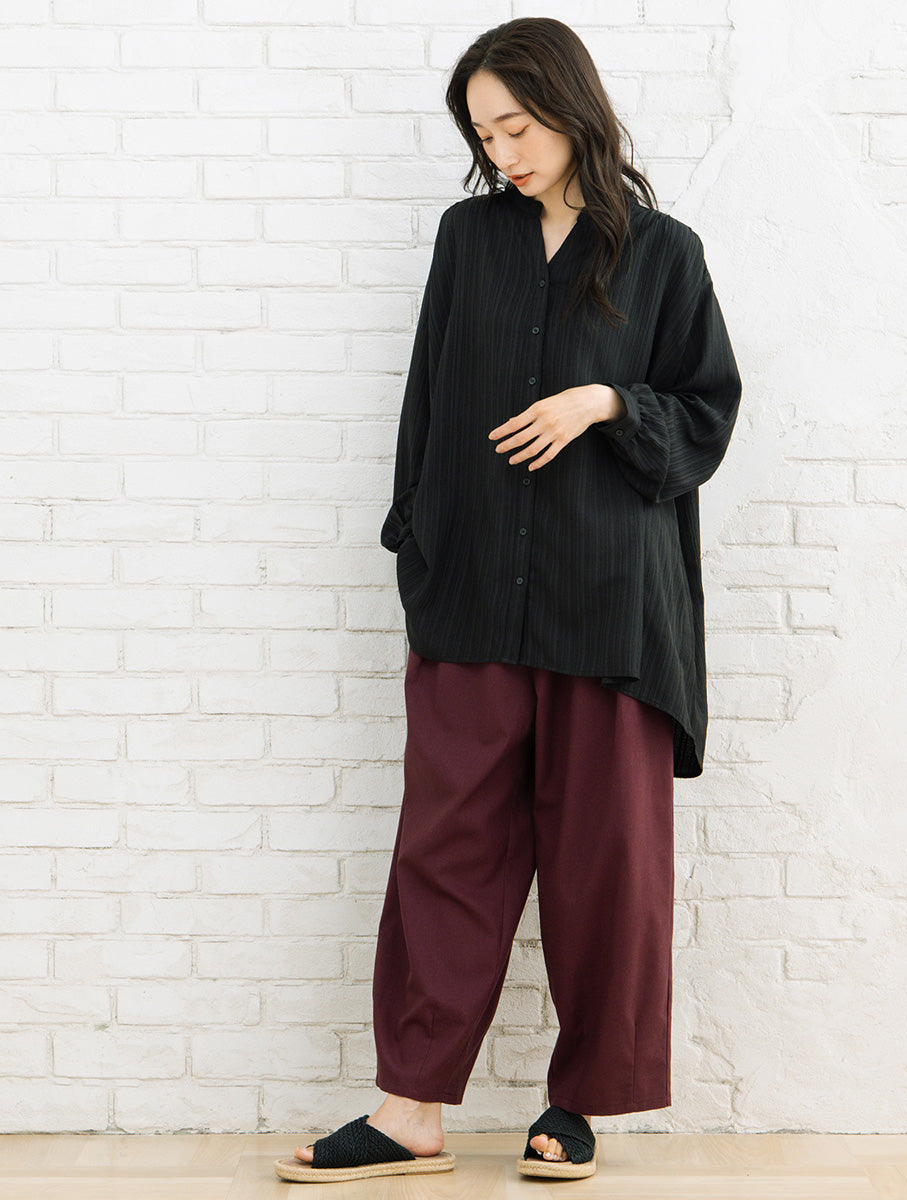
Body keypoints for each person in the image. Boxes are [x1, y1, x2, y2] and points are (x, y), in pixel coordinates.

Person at [274, 15, 741, 1186]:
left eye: (518, 127)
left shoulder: (664, 255)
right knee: (445, 852)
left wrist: (604, 403)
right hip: (473, 592)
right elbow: (428, 401)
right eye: (486, 135)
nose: (504, 153)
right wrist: (418, 545)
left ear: (571, 110)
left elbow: (706, 416)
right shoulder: (467, 240)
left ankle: (578, 1104)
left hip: (609, 608)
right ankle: (409, 1112)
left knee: (606, 864)